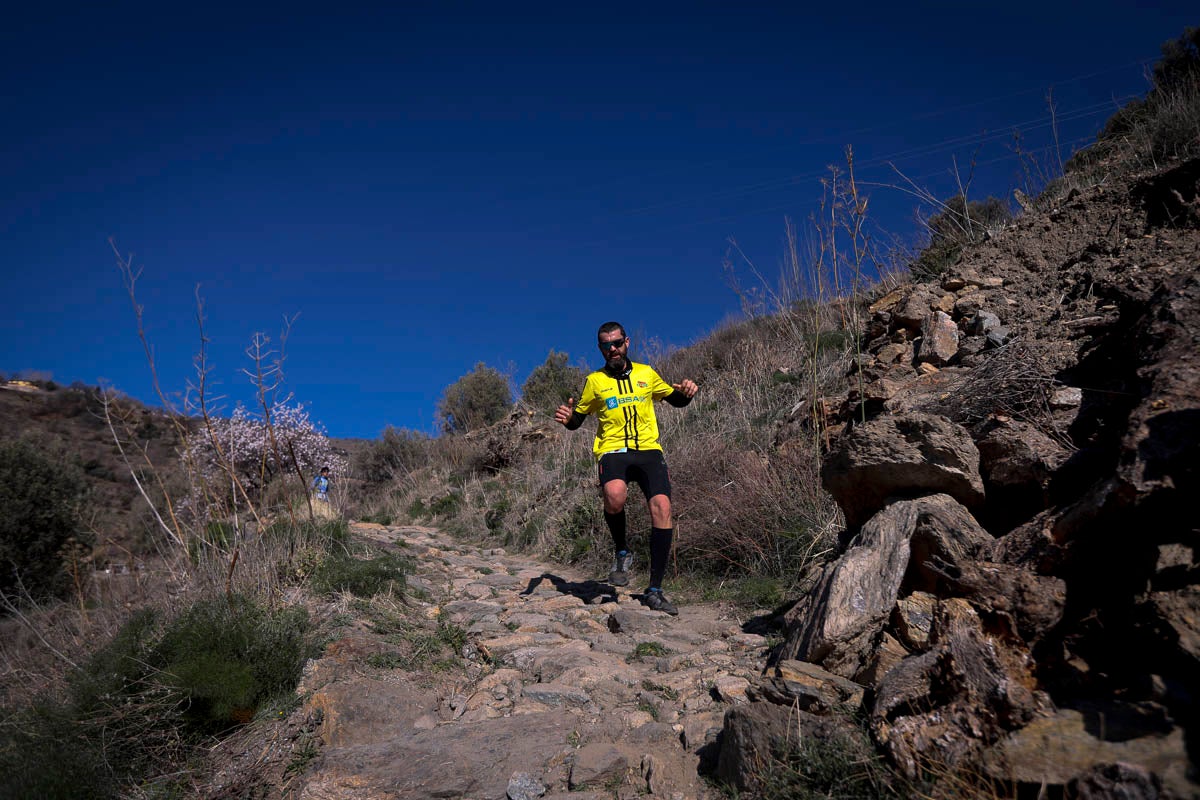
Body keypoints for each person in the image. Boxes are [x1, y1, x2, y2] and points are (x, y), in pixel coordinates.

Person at [554, 321, 698, 615]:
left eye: (617, 343)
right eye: (606, 346)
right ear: (600, 349)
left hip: (648, 450)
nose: (613, 349)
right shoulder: (594, 381)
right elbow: (577, 420)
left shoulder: (647, 374)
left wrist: (688, 392)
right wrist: (568, 417)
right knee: (615, 496)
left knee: (662, 508)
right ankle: (622, 551)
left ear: (627, 342)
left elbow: (676, 400)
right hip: (613, 450)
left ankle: (655, 591)